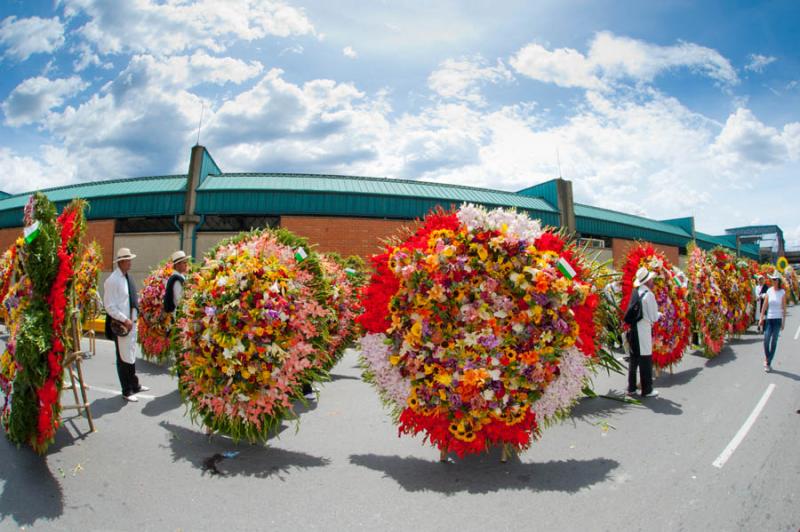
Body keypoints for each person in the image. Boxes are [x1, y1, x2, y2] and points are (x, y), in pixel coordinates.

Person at [104, 248, 148, 402]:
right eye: (128, 260)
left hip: (131, 324)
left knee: (130, 355)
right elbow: (109, 306)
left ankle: (134, 385)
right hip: (122, 325)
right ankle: (126, 390)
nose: (130, 263)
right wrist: (125, 319)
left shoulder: (126, 277)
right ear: (121, 262)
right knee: (123, 357)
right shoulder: (112, 281)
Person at [626, 267, 661, 398]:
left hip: (634, 328)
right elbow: (653, 317)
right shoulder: (649, 295)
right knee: (645, 358)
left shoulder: (636, 292)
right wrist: (660, 314)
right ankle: (647, 389)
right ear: (647, 281)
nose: (652, 281)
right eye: (651, 279)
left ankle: (631, 387)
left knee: (634, 358)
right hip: (643, 329)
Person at [758, 272, 787, 372]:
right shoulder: (769, 291)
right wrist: (761, 318)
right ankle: (767, 358)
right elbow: (764, 306)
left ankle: (768, 362)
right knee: (766, 340)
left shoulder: (782, 292)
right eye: (772, 279)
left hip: (778, 320)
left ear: (778, 281)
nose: (773, 281)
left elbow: (784, 308)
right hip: (769, 319)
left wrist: (783, 321)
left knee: (774, 341)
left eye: (775, 279)